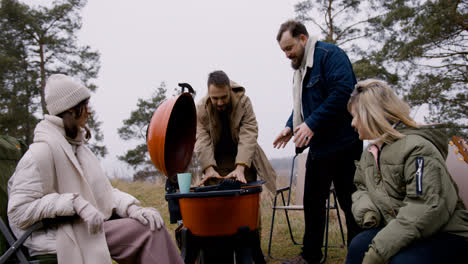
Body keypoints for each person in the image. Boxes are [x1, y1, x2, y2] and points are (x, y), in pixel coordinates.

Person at [7, 74, 184, 264]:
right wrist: (73, 203)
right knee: (147, 232)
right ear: (71, 110)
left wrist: (132, 208)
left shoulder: (77, 148)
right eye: (85, 106)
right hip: (59, 234)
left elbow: (104, 192)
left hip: (87, 227)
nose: (89, 113)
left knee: (148, 223)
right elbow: (18, 212)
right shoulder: (41, 152)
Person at [345, 79, 468, 264]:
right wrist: (368, 211)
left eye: (355, 116)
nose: (352, 123)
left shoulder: (417, 149)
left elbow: (425, 206)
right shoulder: (370, 153)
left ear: (371, 115)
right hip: (403, 227)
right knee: (358, 246)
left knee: (403, 261)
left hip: (445, 231)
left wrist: (379, 250)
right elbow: (362, 187)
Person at [273, 20, 363, 264]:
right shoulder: (301, 69)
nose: (287, 54)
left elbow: (343, 92)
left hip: (345, 144)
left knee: (351, 203)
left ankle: (358, 256)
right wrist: (290, 126)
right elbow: (304, 106)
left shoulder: (330, 56)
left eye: (289, 48)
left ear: (303, 38)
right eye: (283, 50)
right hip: (320, 148)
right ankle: (310, 257)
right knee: (312, 204)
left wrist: (311, 123)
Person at [194, 70, 277, 263]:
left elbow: (249, 134)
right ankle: (221, 249)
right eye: (215, 99)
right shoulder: (201, 108)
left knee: (247, 204)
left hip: (244, 159)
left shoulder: (244, 102)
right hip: (215, 161)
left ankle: (252, 251)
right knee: (217, 204)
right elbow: (201, 138)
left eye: (224, 97)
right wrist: (208, 168)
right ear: (208, 93)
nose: (220, 102)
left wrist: (240, 167)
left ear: (229, 90)